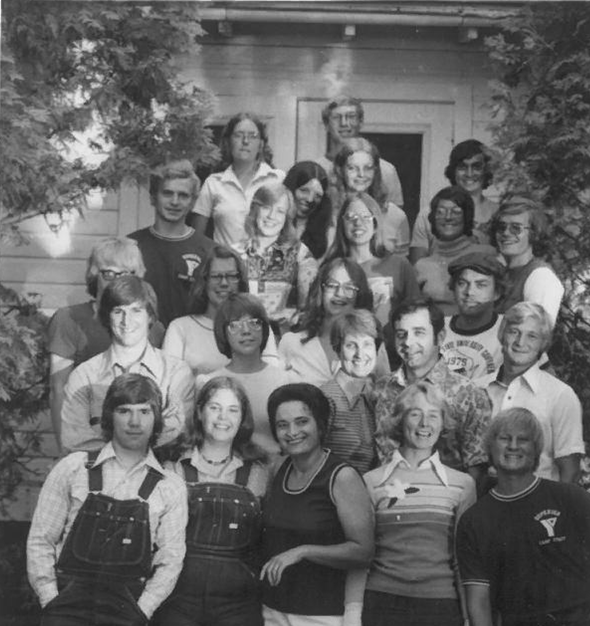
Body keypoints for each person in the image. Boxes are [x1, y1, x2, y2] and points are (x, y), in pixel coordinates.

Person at [27, 373, 188, 625]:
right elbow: (41, 539)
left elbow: (170, 561)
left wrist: (141, 611)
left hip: (126, 613)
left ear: (156, 419)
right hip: (65, 610)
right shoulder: (73, 468)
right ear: (109, 416)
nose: (135, 422)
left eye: (144, 411)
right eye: (124, 411)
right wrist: (51, 600)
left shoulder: (169, 486)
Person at [456, 408, 590, 626]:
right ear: (491, 446)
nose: (513, 446)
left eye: (523, 439)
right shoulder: (474, 520)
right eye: (505, 438)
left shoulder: (571, 499)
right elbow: (478, 601)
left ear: (536, 449)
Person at [153, 376, 269, 626]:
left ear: (242, 417)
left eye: (232, 410)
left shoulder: (259, 472)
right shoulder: (173, 466)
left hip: (238, 604)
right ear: (199, 412)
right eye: (214, 408)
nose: (222, 418)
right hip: (178, 598)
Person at [361, 382, 476, 626]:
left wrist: (467, 618)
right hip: (382, 603)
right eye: (415, 414)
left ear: (443, 423)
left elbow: (462, 561)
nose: (425, 424)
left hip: (440, 606)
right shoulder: (372, 482)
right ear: (400, 422)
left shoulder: (462, 485)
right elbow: (362, 556)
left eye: (433, 415)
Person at [261, 383, 374, 625]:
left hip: (321, 615)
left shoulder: (342, 477)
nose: (292, 431)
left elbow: (363, 551)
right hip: (273, 610)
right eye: (282, 425)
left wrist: (302, 552)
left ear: (320, 424)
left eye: (302, 421)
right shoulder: (279, 468)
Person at [48, 237, 164, 449]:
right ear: (94, 275)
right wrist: (65, 450)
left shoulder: (153, 327)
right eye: (108, 273)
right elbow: (58, 390)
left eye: (126, 274)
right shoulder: (69, 319)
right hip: (86, 436)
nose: (116, 281)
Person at [61, 276, 194, 454]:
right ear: (107, 317)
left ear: (150, 316)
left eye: (136, 310)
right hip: (98, 477)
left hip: (159, 474)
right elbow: (74, 441)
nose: (126, 320)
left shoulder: (175, 373)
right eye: (118, 311)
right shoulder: (84, 376)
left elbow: (175, 434)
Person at [374, 297, 492, 485]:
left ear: (440, 336)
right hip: (388, 499)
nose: (408, 342)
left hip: (445, 502)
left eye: (419, 333)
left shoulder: (468, 395)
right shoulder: (381, 389)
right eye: (401, 334)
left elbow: (476, 470)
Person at [476, 302, 583, 482]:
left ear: (543, 344)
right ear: (502, 335)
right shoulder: (476, 388)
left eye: (532, 336)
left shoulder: (560, 395)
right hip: (483, 501)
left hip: (540, 503)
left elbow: (569, 470)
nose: (520, 342)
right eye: (514, 332)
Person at [197, 293, 291, 458]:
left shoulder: (285, 381)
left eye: (254, 323)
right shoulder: (208, 383)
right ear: (223, 332)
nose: (246, 331)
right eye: (235, 325)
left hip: (274, 469)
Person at [163, 245, 279, 376]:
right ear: (204, 281)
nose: (224, 283)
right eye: (216, 276)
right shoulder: (180, 328)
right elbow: (168, 379)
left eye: (231, 276)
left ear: (240, 281)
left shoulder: (256, 326)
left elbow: (272, 375)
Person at [278, 257, 390, 387]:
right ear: (320, 289)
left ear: (359, 295)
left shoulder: (372, 346)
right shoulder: (291, 343)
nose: (339, 293)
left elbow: (385, 397)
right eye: (332, 285)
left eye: (349, 287)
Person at [128, 160, 215, 327]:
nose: (175, 202)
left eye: (183, 195)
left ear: (193, 201)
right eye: (167, 193)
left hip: (189, 345)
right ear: (153, 197)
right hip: (140, 342)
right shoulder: (131, 247)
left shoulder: (209, 252)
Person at [191, 112, 284, 251]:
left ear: (261, 144)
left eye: (253, 136)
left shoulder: (277, 179)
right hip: (226, 269)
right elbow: (196, 238)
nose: (245, 141)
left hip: (266, 268)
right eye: (239, 135)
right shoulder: (214, 183)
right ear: (228, 142)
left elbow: (288, 232)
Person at [325, 192, 419, 327]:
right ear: (342, 224)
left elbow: (415, 312)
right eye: (351, 217)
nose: (358, 222)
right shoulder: (331, 268)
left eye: (366, 217)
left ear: (375, 224)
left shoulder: (399, 265)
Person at [241, 181, 318, 332]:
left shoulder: (300, 254)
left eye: (280, 211)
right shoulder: (236, 253)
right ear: (255, 209)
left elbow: (311, 310)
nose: (271, 216)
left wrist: (292, 316)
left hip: (284, 341)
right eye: (266, 208)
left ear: (287, 217)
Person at [410, 139, 498, 263]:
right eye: (462, 167)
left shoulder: (497, 213)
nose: (469, 173)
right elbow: (418, 266)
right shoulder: (429, 213)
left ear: (486, 171)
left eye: (476, 167)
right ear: (453, 171)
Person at [414, 186, 496, 315]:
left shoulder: (486, 255)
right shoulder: (422, 265)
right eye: (440, 212)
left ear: (467, 217)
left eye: (456, 212)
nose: (448, 217)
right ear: (433, 218)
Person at [320, 310, 382, 474]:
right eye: (350, 345)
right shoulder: (325, 399)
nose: (360, 354)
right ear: (337, 349)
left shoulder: (381, 395)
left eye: (367, 344)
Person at [316, 95, 403, 208]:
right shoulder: (316, 169)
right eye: (337, 117)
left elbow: (395, 219)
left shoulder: (386, 170)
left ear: (360, 122)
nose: (344, 123)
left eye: (351, 116)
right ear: (327, 125)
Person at [490, 194, 564, 326]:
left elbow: (536, 336)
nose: (506, 233)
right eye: (502, 227)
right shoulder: (500, 273)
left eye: (516, 228)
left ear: (534, 233)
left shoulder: (541, 277)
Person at [333, 138, 410, 256]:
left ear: (376, 171)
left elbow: (400, 269)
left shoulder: (395, 216)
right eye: (352, 168)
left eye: (368, 168)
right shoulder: (328, 213)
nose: (361, 175)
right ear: (340, 170)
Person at [440, 251, 506, 379]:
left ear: (497, 292)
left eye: (481, 285)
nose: (469, 292)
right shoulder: (437, 327)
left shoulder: (509, 328)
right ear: (453, 288)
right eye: (462, 283)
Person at [283, 161, 332, 260]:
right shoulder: (271, 221)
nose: (310, 199)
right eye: (304, 190)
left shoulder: (327, 233)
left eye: (317, 196)